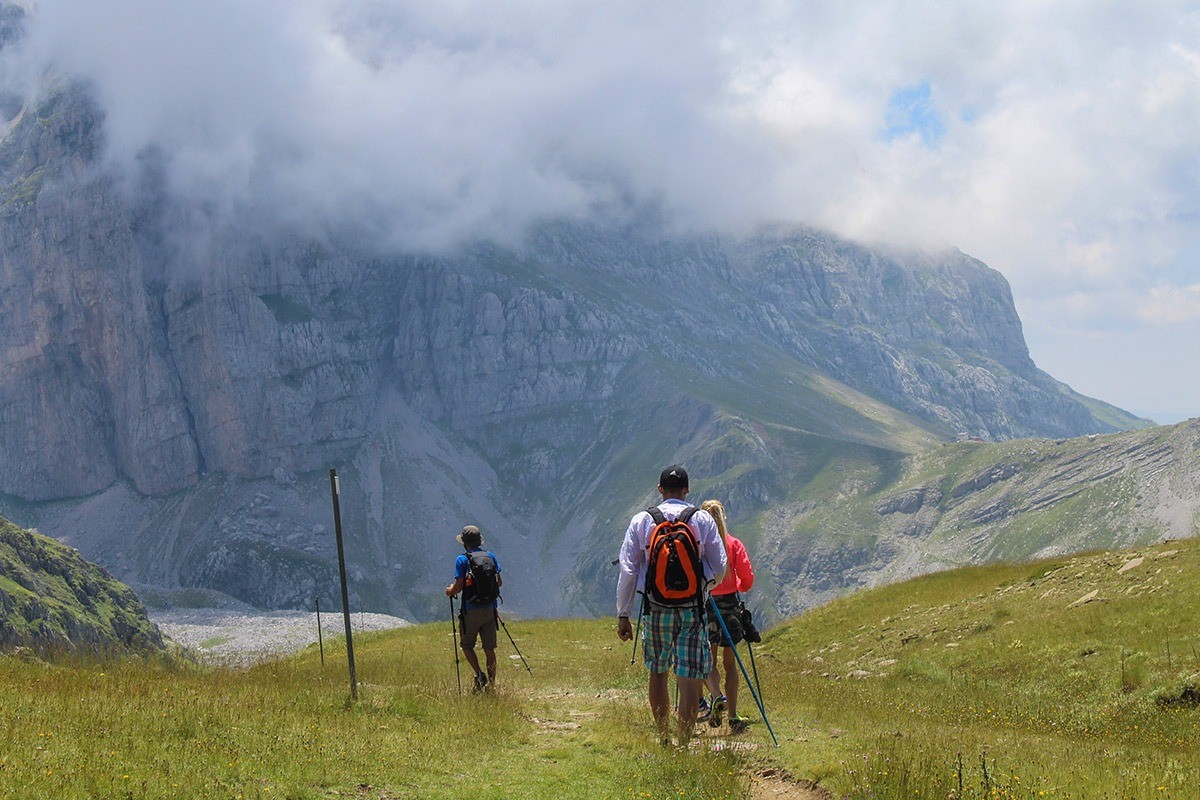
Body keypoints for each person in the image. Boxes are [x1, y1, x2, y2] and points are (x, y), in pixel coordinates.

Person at [616, 466, 728, 745]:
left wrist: (623, 614)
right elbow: (720, 565)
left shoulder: (643, 520)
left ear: (660, 489)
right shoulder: (701, 519)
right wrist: (703, 589)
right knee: (688, 676)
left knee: (658, 672)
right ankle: (685, 742)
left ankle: (664, 737)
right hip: (692, 609)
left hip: (655, 608)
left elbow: (628, 570)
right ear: (687, 490)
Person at [698, 499, 755, 733]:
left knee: (707, 661)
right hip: (731, 604)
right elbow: (747, 579)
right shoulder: (734, 544)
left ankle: (715, 697)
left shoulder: (700, 545)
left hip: (707, 603)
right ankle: (732, 715)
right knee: (730, 663)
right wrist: (737, 585)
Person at [444, 525, 502, 691]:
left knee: (467, 645)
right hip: (490, 608)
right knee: (489, 648)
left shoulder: (462, 560)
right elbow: (499, 583)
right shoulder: (490, 556)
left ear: (464, 543)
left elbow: (459, 586)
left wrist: (449, 591)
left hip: (471, 609)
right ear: (479, 541)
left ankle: (479, 674)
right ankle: (492, 684)